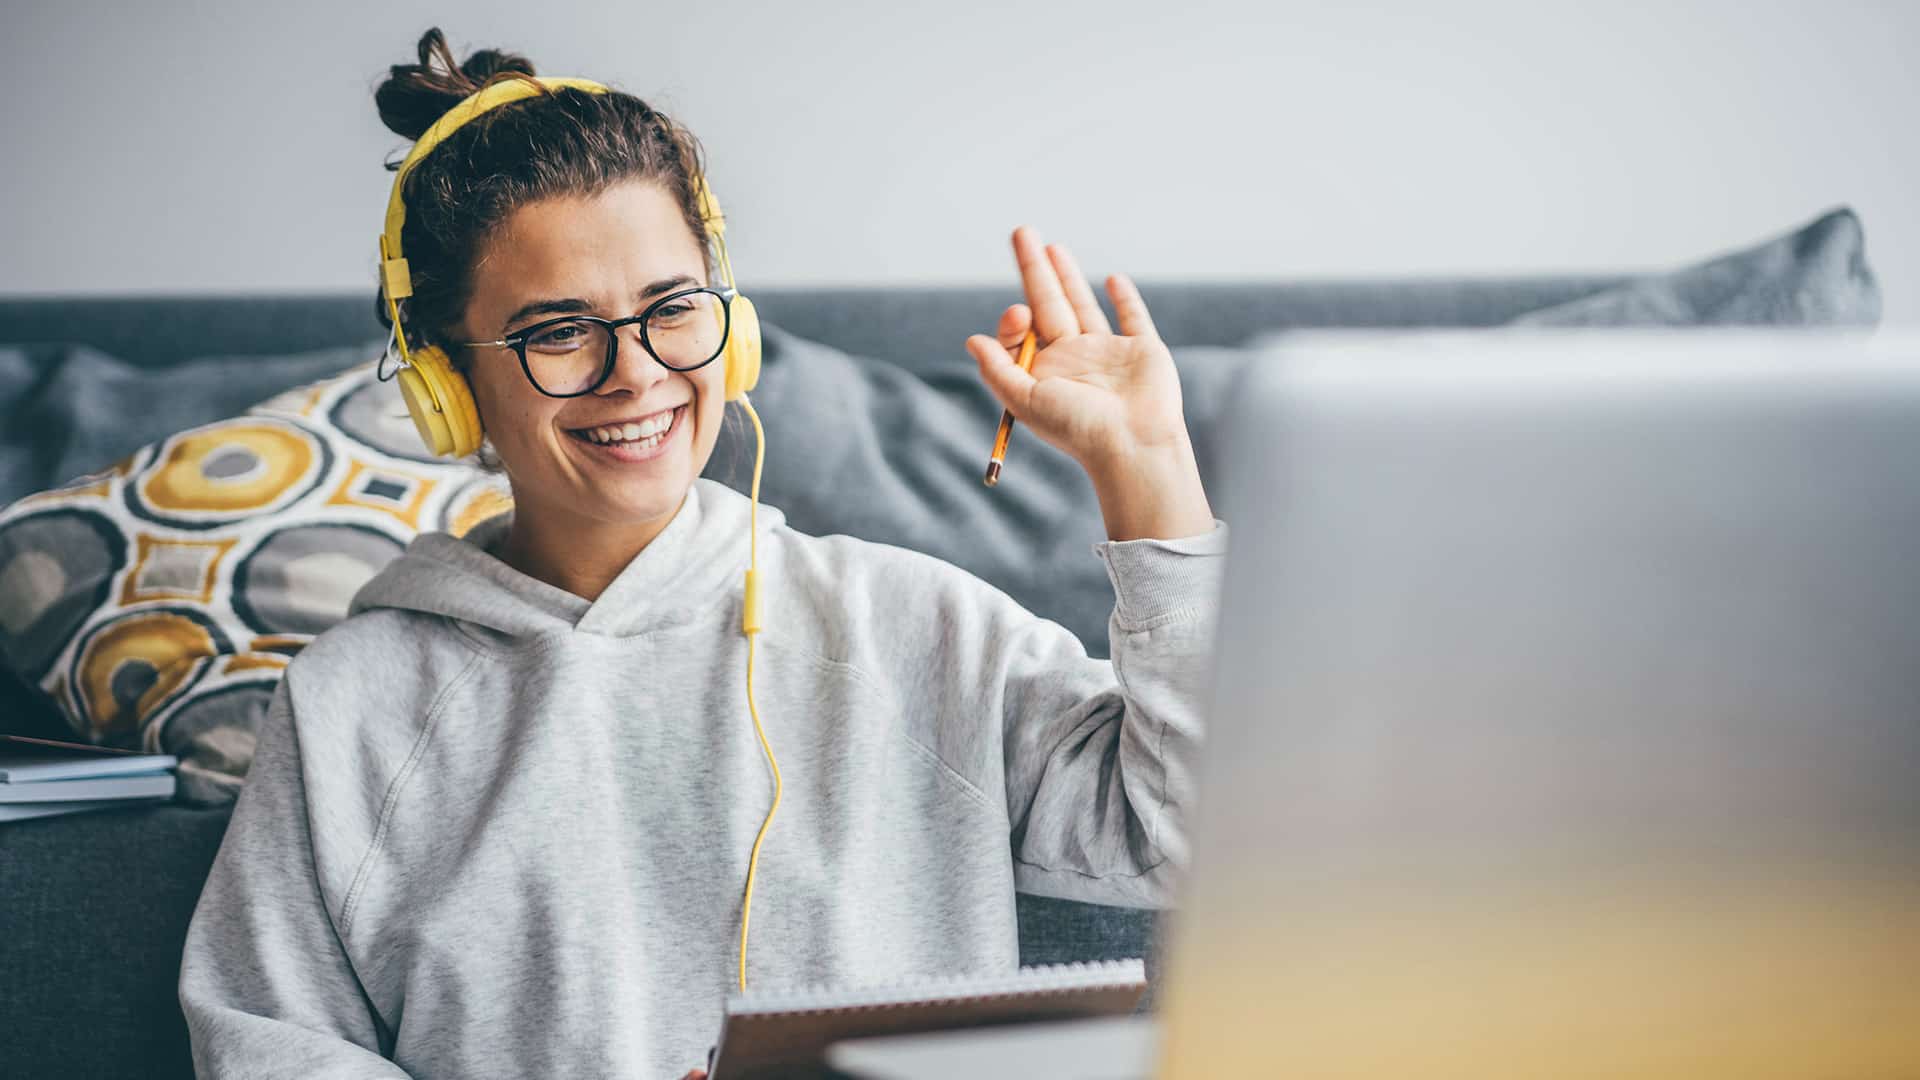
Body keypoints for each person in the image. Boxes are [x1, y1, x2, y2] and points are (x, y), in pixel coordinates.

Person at [176, 27, 1228, 1080]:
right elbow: (269, 1046)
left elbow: (1201, 836)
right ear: (447, 386)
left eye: (672, 309)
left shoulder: (920, 628)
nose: (634, 373)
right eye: (558, 331)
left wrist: (1148, 466)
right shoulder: (350, 706)